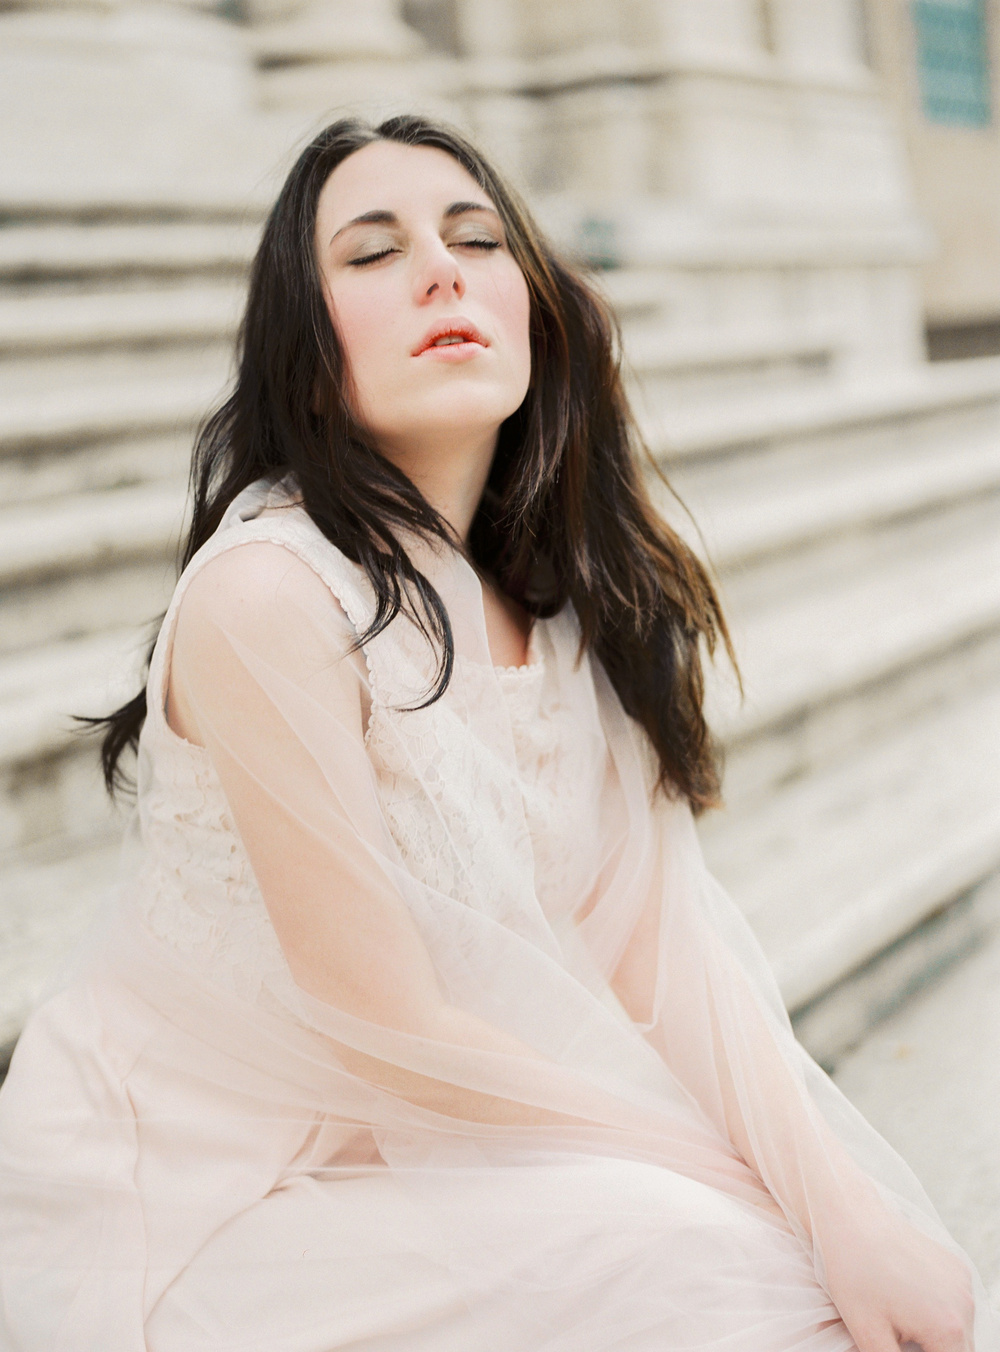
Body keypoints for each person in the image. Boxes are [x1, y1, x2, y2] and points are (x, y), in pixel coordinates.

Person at [0, 114, 993, 1352]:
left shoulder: (560, 617)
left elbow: (673, 972)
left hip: (458, 1158)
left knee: (839, 1269)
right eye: (371, 253)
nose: (441, 268)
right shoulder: (268, 599)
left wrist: (835, 1201)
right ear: (308, 360)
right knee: (724, 1267)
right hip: (217, 1196)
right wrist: (739, 1190)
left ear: (531, 306)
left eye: (476, 237)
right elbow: (391, 1020)